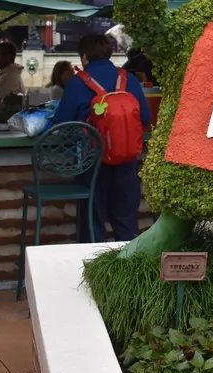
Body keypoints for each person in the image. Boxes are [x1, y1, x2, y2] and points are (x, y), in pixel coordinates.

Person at [50, 34, 150, 243]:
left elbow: (61, 124)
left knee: (93, 223)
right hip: (127, 162)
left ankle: (93, 272)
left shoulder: (78, 83)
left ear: (85, 57)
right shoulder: (128, 79)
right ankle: (130, 272)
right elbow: (146, 118)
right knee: (127, 223)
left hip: (92, 162)